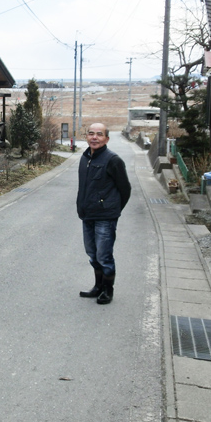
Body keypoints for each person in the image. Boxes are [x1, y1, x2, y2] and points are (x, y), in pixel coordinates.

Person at [76, 123, 131, 305]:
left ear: (106, 139)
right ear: (87, 137)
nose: (94, 137)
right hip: (87, 215)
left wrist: (111, 210)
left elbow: (125, 190)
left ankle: (108, 290)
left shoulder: (113, 160)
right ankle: (98, 286)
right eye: (91, 134)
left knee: (104, 256)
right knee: (92, 253)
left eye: (99, 134)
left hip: (105, 218)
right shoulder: (85, 158)